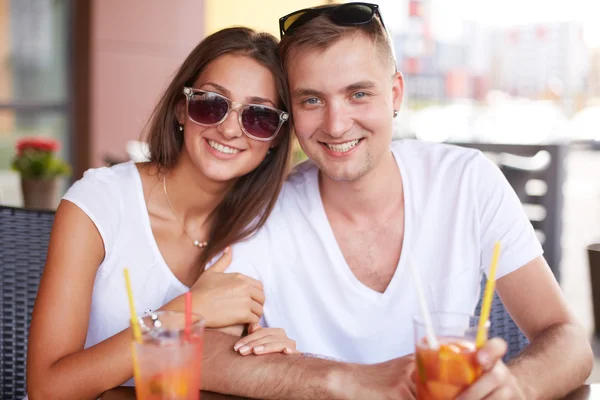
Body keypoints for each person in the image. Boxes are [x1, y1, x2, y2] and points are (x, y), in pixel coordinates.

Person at [198, 3, 593, 399]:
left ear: (395, 94)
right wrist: (344, 379)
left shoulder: (466, 181)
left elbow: (568, 339)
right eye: (312, 100)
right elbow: (202, 353)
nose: (336, 125)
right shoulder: (263, 211)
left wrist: (518, 387)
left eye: (358, 93)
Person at [27, 27, 298, 399]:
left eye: (259, 116)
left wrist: (266, 353)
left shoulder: (263, 229)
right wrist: (182, 314)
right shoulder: (99, 204)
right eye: (212, 103)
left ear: (277, 137)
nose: (230, 128)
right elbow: (47, 389)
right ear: (181, 108)